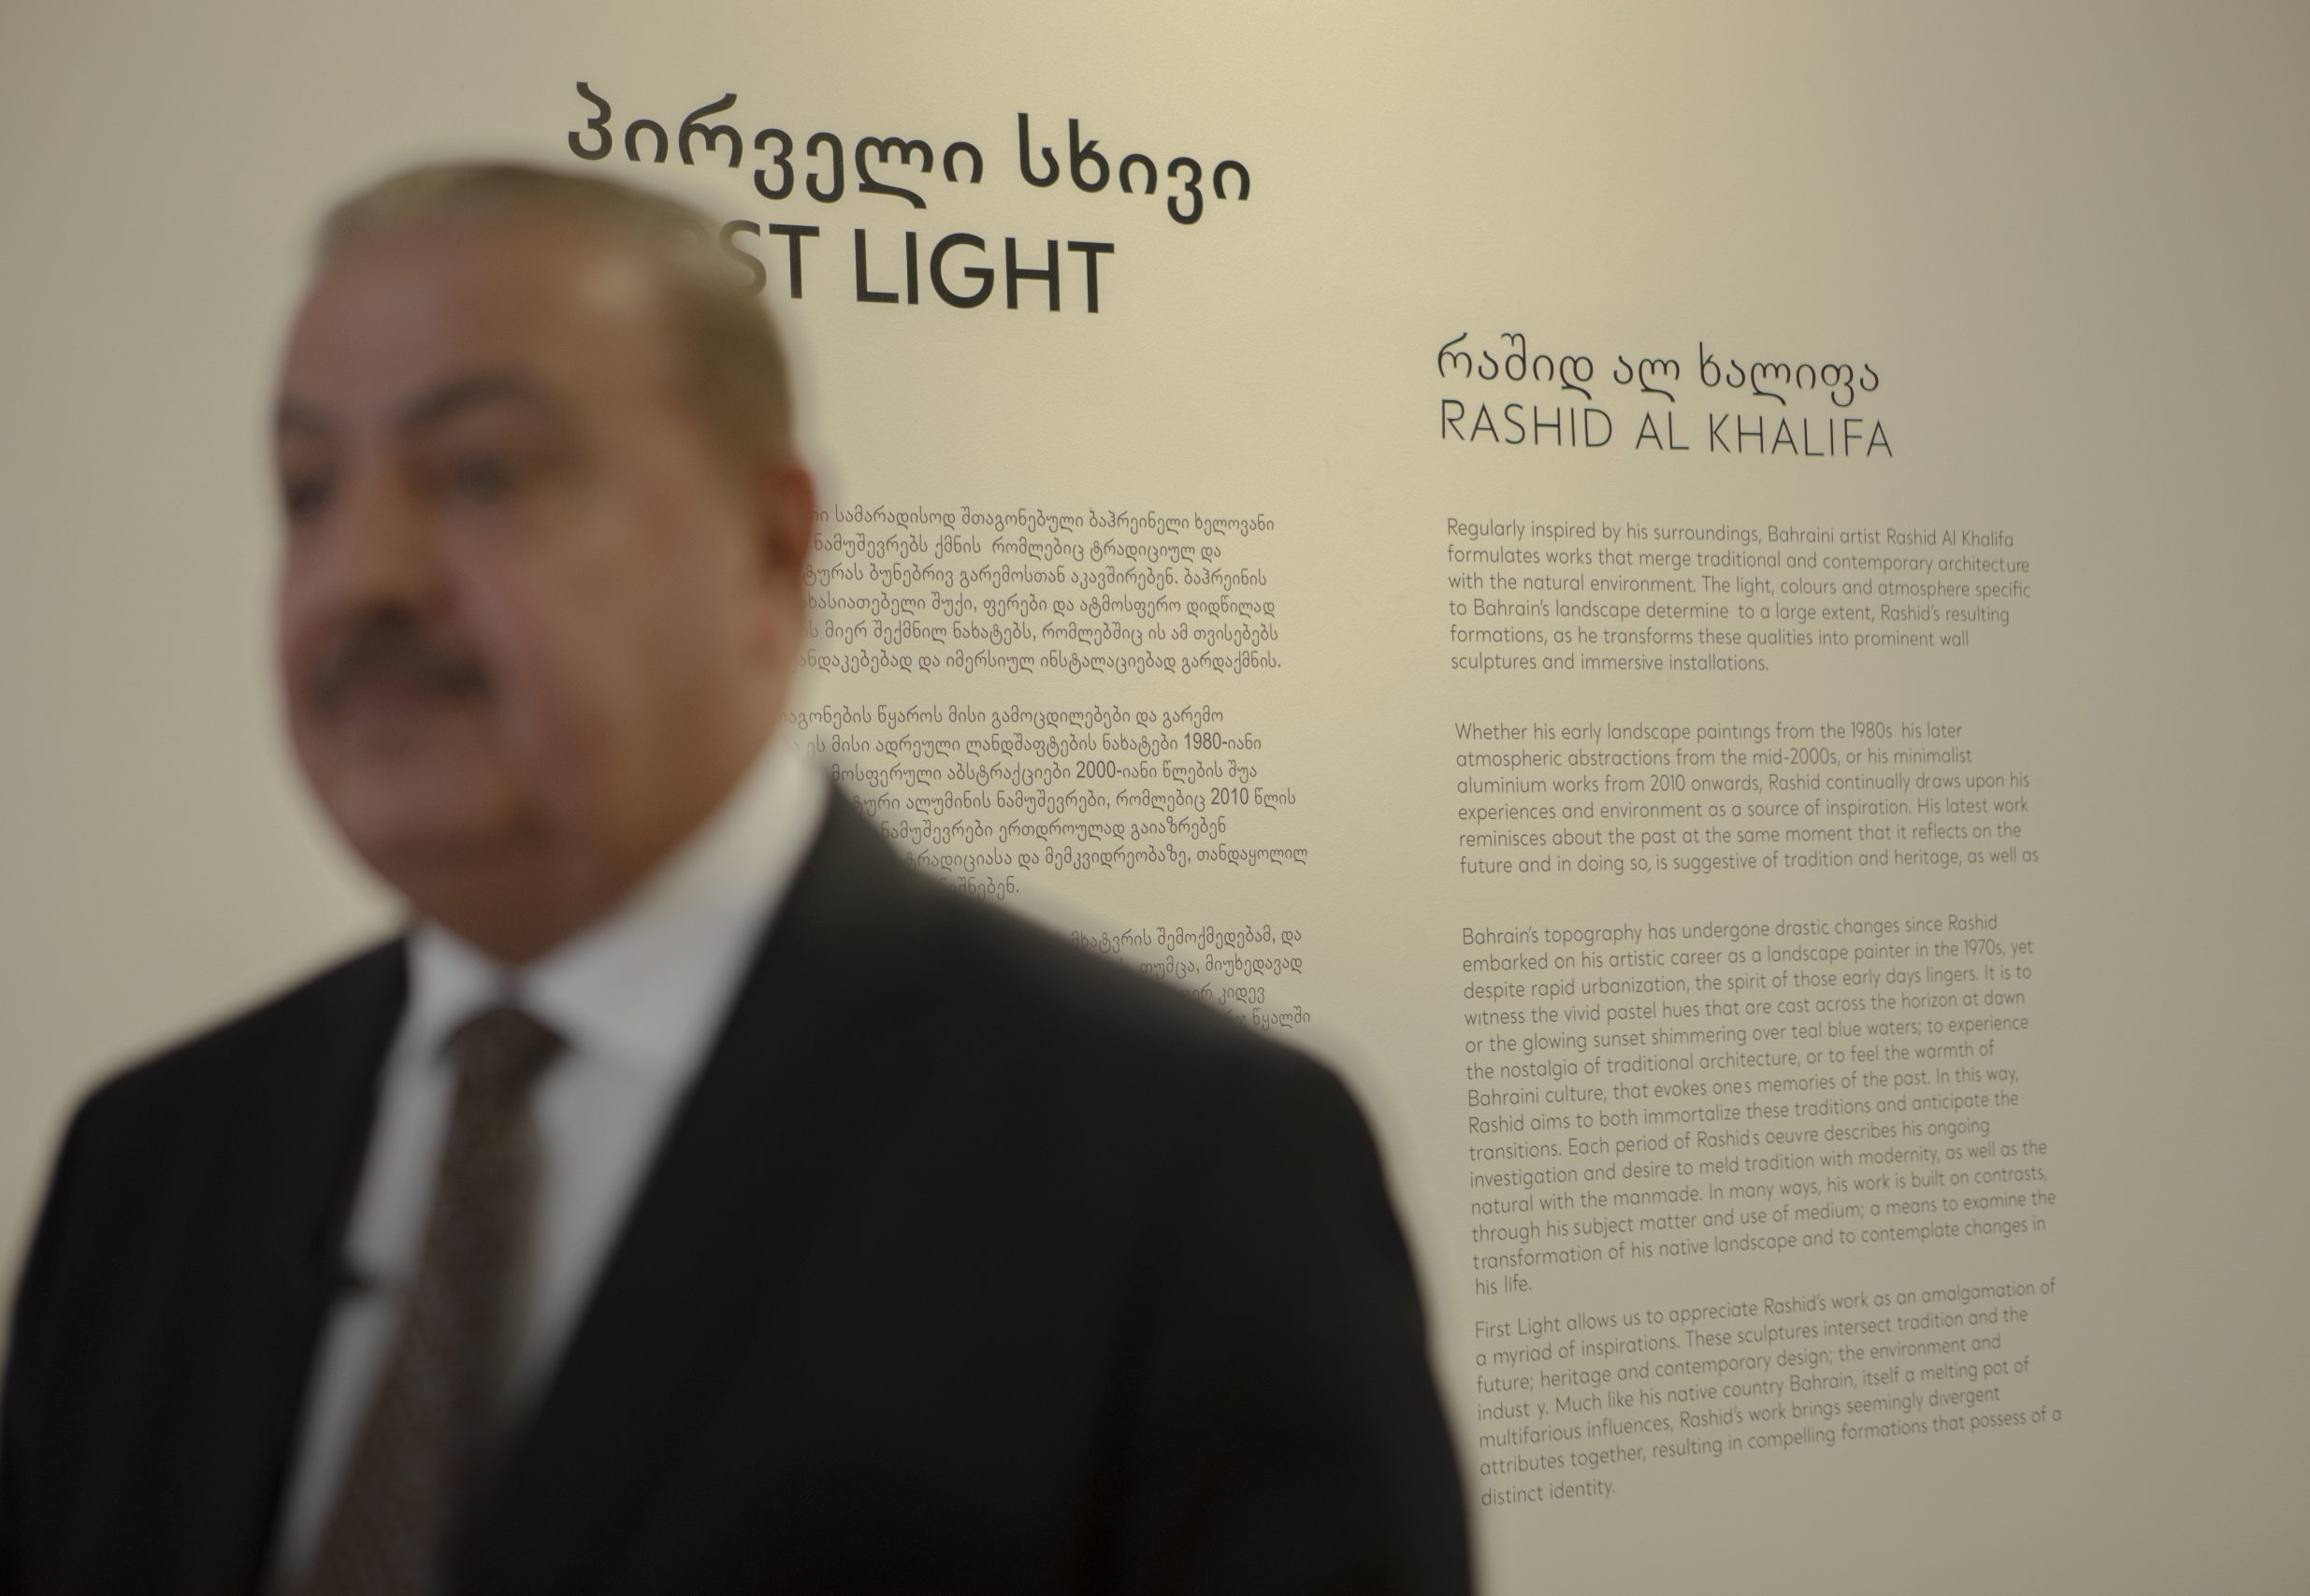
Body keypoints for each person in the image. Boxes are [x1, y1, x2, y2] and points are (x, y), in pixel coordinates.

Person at [0, 163, 1470, 1596]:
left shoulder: (1180, 1171)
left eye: (484, 473)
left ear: (774, 546)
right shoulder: (150, 1162)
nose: (359, 575)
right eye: (307, 490)